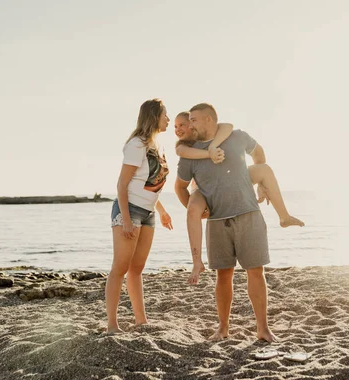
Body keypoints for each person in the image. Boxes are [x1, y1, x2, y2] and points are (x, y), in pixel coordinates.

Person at [175, 103, 276, 342]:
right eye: (188, 121)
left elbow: (258, 152)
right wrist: (197, 209)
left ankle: (262, 329)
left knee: (256, 272)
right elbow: (179, 187)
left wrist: (261, 183)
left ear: (209, 119)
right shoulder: (190, 153)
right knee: (223, 276)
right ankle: (223, 328)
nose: (190, 125)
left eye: (194, 120)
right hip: (217, 221)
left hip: (248, 214)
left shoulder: (236, 136)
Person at [173, 111, 304, 285]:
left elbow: (228, 127)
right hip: (204, 189)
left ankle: (284, 217)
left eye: (184, 124)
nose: (179, 129)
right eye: (176, 126)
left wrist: (261, 186)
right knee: (193, 208)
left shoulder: (221, 134)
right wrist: (200, 212)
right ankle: (197, 262)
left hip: (234, 179)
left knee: (264, 170)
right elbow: (179, 183)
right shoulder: (183, 148)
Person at [105, 98, 173, 333]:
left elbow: (150, 184)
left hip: (149, 212)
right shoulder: (137, 144)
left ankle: (140, 320)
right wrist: (125, 219)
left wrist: (162, 210)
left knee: (137, 269)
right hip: (130, 210)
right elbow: (122, 184)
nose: (169, 119)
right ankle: (112, 325)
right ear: (154, 116)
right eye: (165, 115)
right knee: (120, 268)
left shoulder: (158, 145)